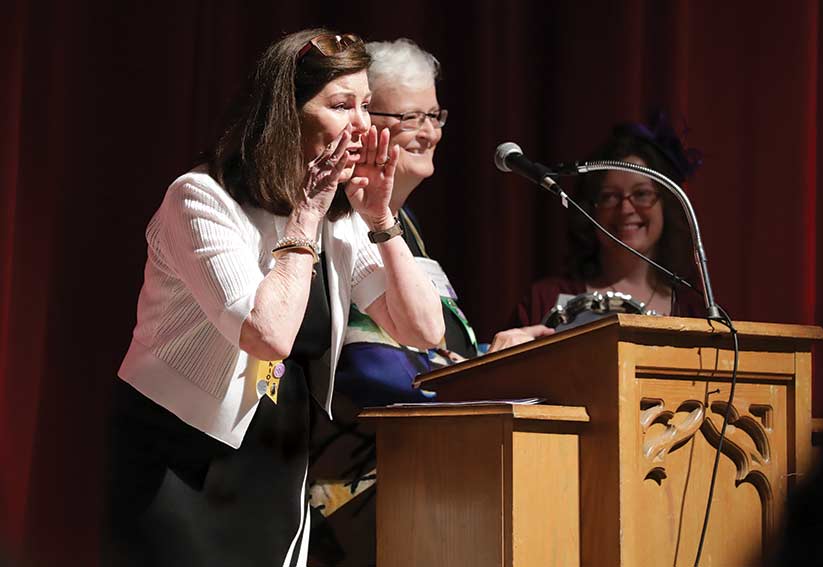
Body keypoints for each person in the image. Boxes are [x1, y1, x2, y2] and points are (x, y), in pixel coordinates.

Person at [104, 28, 444, 567]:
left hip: (276, 459)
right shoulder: (199, 199)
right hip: (178, 456)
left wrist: (382, 219)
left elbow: (424, 331)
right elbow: (267, 335)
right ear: (287, 114)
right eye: (340, 105)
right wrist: (306, 214)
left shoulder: (344, 216)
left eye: (365, 105)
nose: (361, 123)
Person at [306, 38, 551, 567]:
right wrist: (490, 375)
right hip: (357, 495)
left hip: (426, 477)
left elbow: (422, 348)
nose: (430, 132)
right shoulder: (335, 221)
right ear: (365, 122)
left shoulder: (404, 227)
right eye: (411, 115)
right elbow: (368, 367)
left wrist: (494, 355)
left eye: (435, 114)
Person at [514, 116, 705, 327]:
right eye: (609, 196)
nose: (625, 209)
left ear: (666, 204)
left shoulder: (695, 312)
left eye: (641, 194)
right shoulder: (544, 300)